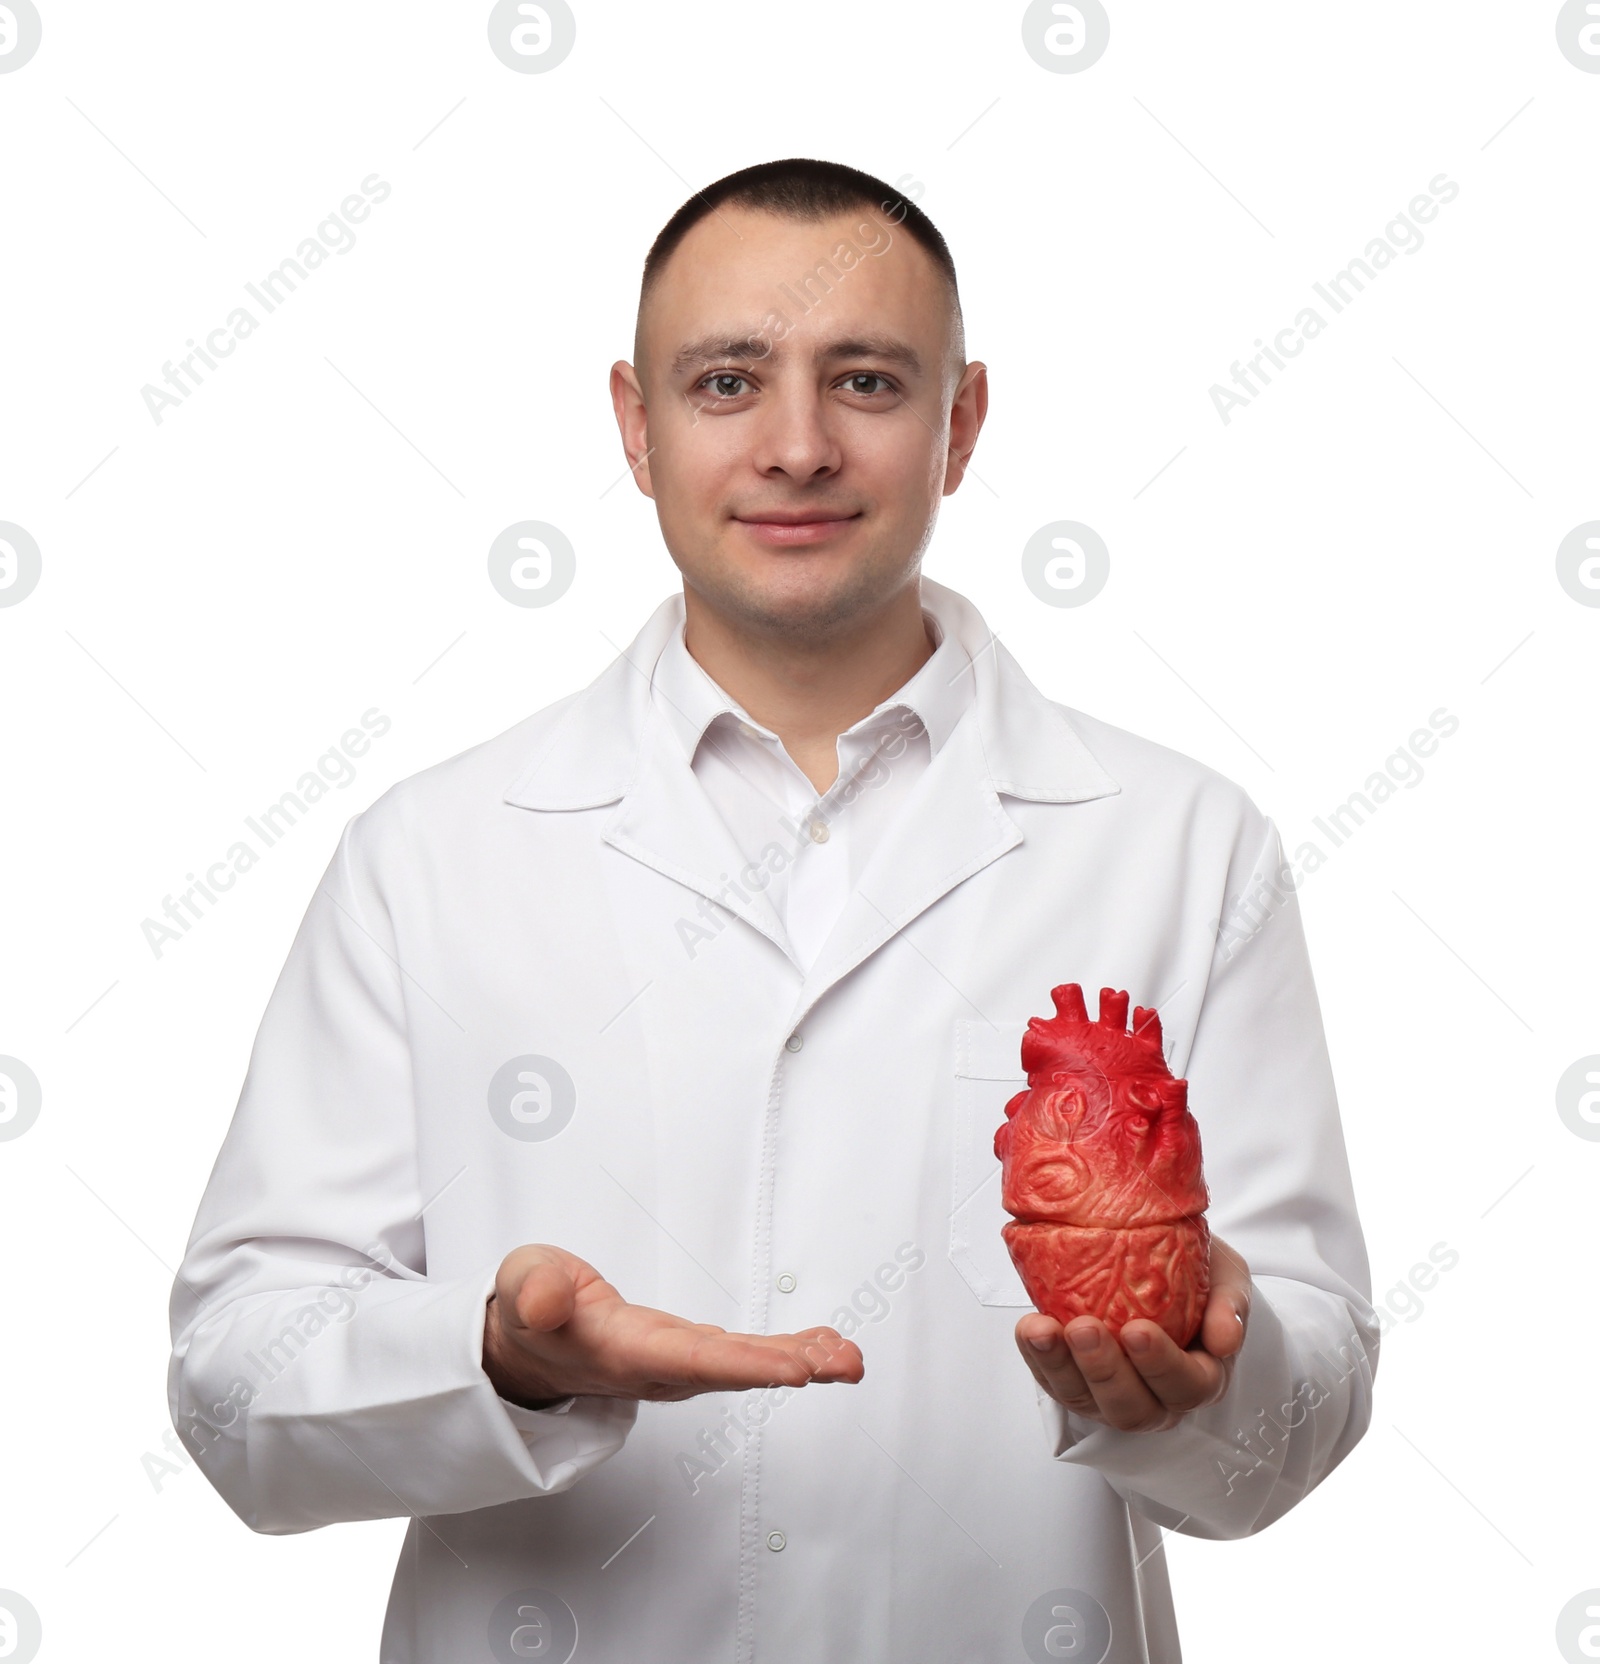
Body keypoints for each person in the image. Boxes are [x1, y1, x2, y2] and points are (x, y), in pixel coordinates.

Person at [168, 158, 1377, 1664]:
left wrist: (1214, 1367)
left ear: (963, 424)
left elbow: (1308, 1396)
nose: (797, 446)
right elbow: (232, 1388)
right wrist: (499, 1358)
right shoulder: (429, 852)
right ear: (635, 424)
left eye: (865, 380)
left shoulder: (1184, 844)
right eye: (728, 381)